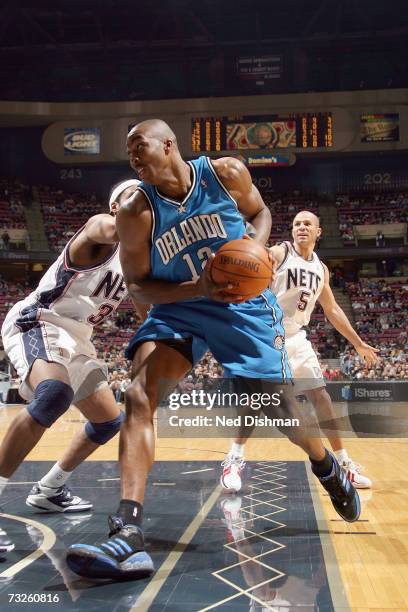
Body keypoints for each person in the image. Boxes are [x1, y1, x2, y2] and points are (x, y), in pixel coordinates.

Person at [66, 119, 360, 582]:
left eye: (140, 147)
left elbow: (260, 215)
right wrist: (199, 287)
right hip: (181, 307)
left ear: (169, 144)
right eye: (129, 153)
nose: (134, 158)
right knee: (140, 395)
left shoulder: (226, 173)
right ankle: (128, 529)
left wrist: (251, 252)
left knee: (279, 410)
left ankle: (325, 465)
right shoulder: (134, 211)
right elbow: (141, 288)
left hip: (244, 309)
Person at [0, 180, 141, 554]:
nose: (143, 206)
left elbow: (147, 307)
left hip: (77, 338)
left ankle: (49, 489)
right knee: (54, 394)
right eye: (134, 199)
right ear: (115, 207)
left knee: (109, 421)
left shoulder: (139, 262)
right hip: (40, 319)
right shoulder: (100, 230)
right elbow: (112, 227)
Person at [220, 211, 379, 492]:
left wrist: (357, 342)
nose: (301, 227)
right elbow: (261, 258)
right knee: (257, 401)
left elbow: (332, 309)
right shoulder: (282, 252)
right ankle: (234, 457)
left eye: (307, 224)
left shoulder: (321, 268)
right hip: (267, 334)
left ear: (319, 231)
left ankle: (343, 463)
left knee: (321, 396)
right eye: (296, 224)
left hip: (296, 336)